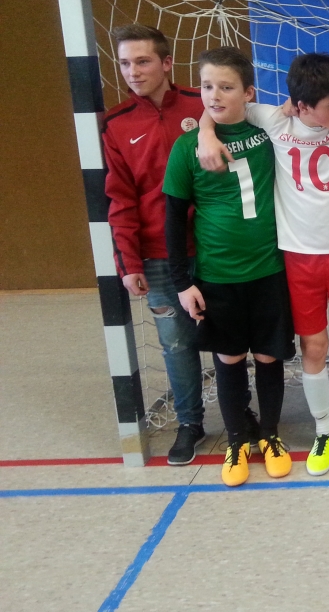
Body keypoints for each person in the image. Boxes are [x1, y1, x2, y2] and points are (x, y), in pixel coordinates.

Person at [196, 53, 329, 475]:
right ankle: (323, 428)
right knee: (314, 346)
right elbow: (219, 107)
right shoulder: (275, 120)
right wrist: (204, 131)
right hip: (299, 257)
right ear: (301, 105)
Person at [163, 47, 295, 487]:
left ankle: (270, 435)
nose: (214, 95)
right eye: (206, 87)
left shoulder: (269, 134)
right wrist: (182, 282)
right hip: (218, 276)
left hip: (269, 269)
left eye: (226, 87)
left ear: (248, 93)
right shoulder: (187, 148)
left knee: (269, 355)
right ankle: (237, 440)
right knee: (229, 357)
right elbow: (173, 219)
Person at [102, 24, 207, 466]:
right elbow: (120, 199)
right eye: (125, 63)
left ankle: (241, 415)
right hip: (159, 256)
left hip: (215, 247)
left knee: (230, 336)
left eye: (142, 61)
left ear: (166, 63)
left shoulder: (204, 104)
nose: (133, 71)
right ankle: (190, 423)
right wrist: (128, 263)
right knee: (176, 343)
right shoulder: (116, 124)